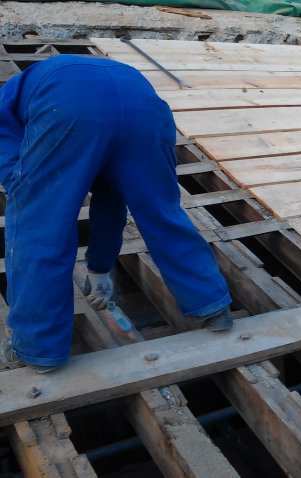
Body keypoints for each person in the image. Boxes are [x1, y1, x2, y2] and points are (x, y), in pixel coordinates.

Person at [0, 55, 233, 374]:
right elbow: (112, 200)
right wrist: (99, 268)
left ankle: (37, 347)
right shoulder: (41, 86)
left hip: (67, 104)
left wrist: (32, 196)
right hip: (143, 106)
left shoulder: (6, 112)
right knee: (162, 212)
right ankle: (213, 304)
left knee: (39, 226)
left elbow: (22, 187)